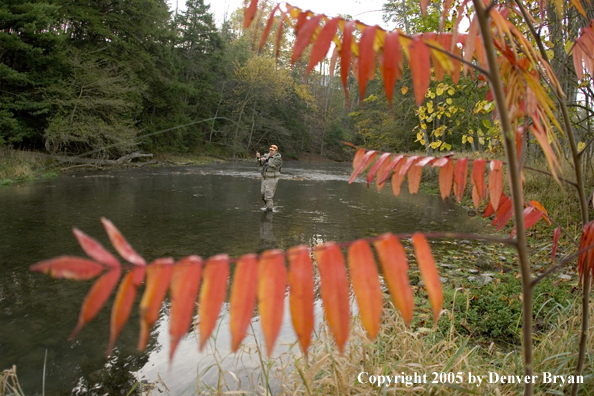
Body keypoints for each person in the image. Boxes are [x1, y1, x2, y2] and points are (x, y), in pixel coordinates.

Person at [256, 144, 282, 211]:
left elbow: (273, 164)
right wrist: (258, 158)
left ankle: (270, 210)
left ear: (276, 151)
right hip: (264, 177)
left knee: (268, 196)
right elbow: (259, 163)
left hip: (272, 179)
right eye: (270, 150)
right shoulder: (266, 156)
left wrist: (266, 160)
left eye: (273, 150)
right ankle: (268, 207)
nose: (271, 151)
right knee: (262, 195)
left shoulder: (278, 158)